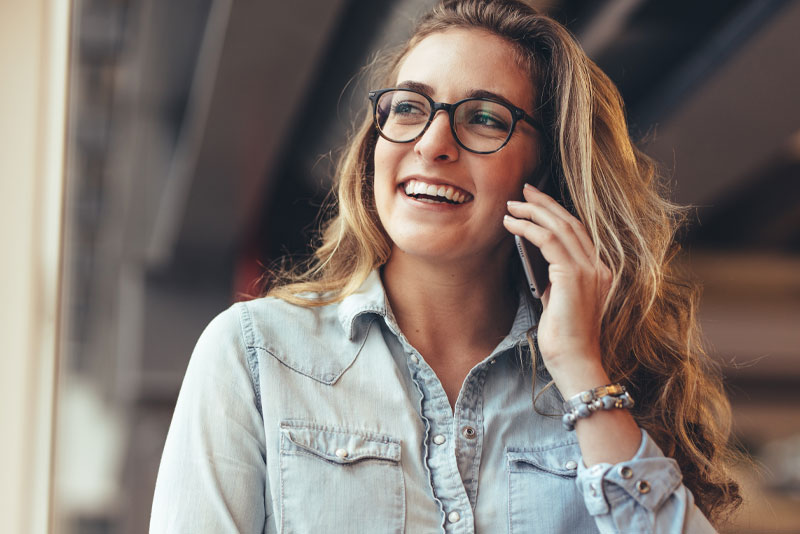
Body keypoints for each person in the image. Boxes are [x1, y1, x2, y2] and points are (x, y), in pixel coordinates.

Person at [150, 0, 743, 532]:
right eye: (410, 107)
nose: (433, 142)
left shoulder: (611, 380)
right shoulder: (256, 355)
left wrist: (582, 372)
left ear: (546, 172)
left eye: (484, 117)